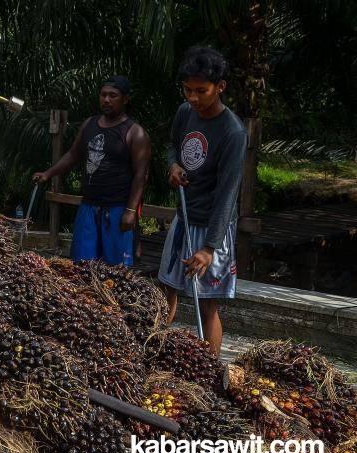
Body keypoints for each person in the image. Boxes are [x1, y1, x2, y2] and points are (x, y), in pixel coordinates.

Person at [158, 46, 247, 355]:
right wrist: (173, 165)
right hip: (183, 217)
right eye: (187, 90)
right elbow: (172, 145)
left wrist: (209, 249)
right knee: (167, 289)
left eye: (201, 91)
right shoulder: (185, 113)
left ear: (220, 87)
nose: (193, 97)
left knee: (207, 303)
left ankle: (209, 371)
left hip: (213, 228)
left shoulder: (232, 132)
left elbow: (228, 194)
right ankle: (153, 351)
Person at [33, 76, 151, 266]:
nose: (106, 100)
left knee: (117, 270)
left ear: (125, 99)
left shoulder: (135, 132)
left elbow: (141, 175)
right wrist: (49, 173)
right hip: (88, 206)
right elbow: (73, 154)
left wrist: (130, 211)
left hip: (117, 208)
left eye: (113, 95)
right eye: (103, 95)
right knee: (81, 265)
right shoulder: (90, 124)